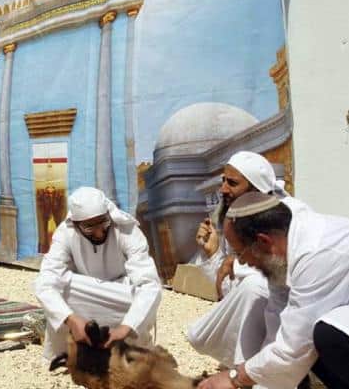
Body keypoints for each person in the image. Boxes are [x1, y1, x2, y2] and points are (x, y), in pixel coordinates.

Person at [198, 192, 349, 389]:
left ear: (264, 242)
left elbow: (295, 347)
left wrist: (235, 378)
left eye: (240, 253)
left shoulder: (315, 253)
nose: (241, 262)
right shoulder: (282, 253)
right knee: (308, 340)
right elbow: (278, 331)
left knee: (327, 334)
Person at [188, 151, 289, 370]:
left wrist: (235, 263)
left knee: (255, 287)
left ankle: (249, 370)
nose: (223, 189)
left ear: (256, 189)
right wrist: (213, 253)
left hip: (291, 313)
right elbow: (230, 288)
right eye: (223, 181)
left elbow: (275, 280)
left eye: (232, 183)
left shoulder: (285, 217)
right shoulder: (236, 219)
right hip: (261, 313)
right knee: (198, 335)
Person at [34, 186, 162, 360]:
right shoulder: (65, 234)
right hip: (85, 293)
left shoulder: (127, 230)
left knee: (143, 296)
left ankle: (134, 353)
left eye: (103, 223)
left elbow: (150, 285)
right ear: (76, 225)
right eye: (89, 227)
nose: (99, 232)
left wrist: (126, 328)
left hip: (120, 294)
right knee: (59, 287)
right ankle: (68, 355)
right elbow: (45, 282)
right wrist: (71, 319)